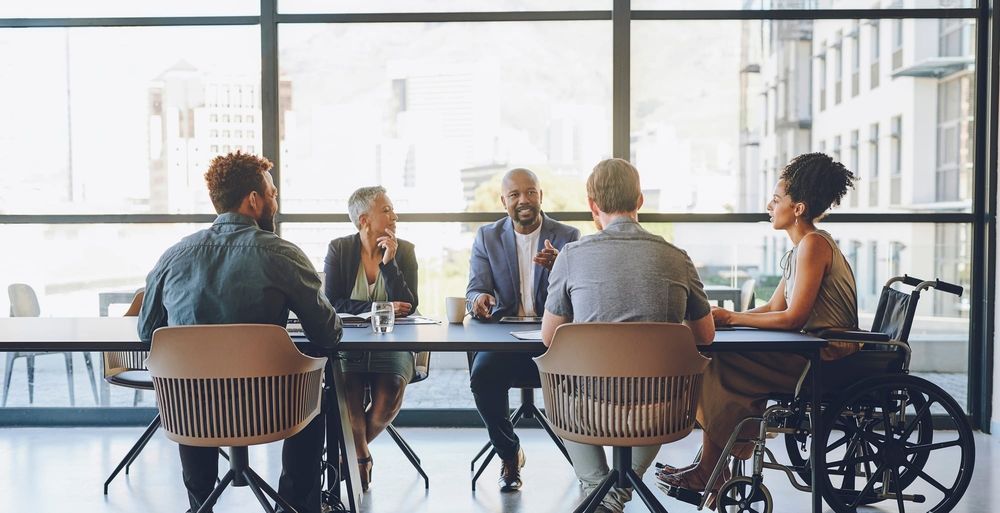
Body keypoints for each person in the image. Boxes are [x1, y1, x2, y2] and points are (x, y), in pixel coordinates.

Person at [138, 151, 342, 513]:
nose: (275, 202)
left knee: (190, 385)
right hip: (272, 409)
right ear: (253, 200)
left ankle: (200, 504)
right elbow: (328, 334)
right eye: (273, 194)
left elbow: (147, 333)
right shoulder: (282, 255)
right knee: (317, 393)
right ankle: (294, 506)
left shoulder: (173, 256)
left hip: (190, 413)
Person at [658, 152, 859, 505]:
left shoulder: (814, 245)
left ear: (798, 208)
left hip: (825, 356)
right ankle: (712, 466)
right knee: (718, 356)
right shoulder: (800, 249)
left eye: (777, 199)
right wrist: (727, 317)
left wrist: (733, 319)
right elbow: (772, 308)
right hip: (810, 349)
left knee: (717, 363)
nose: (770, 205)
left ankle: (710, 469)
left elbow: (794, 318)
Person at [541, 158, 715, 513]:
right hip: (662, 411)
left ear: (593, 205)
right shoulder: (677, 257)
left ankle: (598, 488)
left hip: (586, 412)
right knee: (663, 384)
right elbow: (705, 335)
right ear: (640, 200)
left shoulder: (571, 256)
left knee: (557, 380)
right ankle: (613, 494)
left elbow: (549, 337)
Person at [465, 167, 581, 491]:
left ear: (541, 196)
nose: (524, 200)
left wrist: (561, 267)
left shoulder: (568, 237)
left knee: (583, 375)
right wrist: (479, 300)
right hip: (505, 340)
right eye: (514, 194)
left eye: (530, 192)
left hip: (554, 340)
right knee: (482, 376)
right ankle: (509, 454)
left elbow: (582, 294)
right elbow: (474, 289)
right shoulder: (487, 237)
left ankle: (586, 462)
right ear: (503, 201)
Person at [323, 185, 417, 492]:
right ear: (364, 220)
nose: (395, 216)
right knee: (348, 397)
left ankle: (345, 455)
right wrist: (379, 308)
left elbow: (409, 304)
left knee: (388, 396)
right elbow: (332, 302)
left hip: (393, 345)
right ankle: (361, 457)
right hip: (348, 345)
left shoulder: (405, 251)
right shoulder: (339, 250)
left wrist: (389, 264)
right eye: (386, 210)